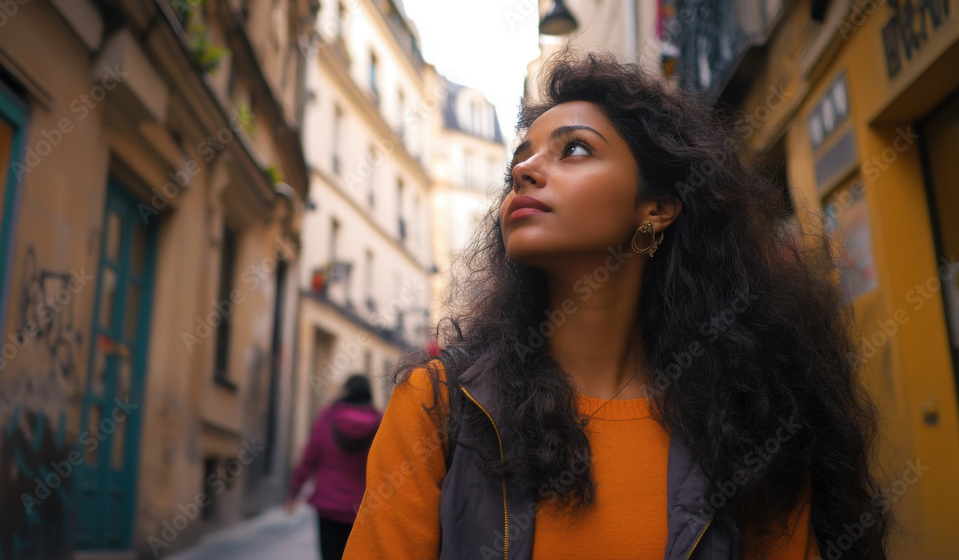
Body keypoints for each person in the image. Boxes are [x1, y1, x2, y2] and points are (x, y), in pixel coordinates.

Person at [343, 52, 890, 560]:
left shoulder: (751, 418)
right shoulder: (440, 407)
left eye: (574, 148)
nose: (523, 171)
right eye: (521, 156)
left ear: (656, 208)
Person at [287, 374, 381, 560]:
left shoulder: (328, 415)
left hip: (328, 502)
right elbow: (384, 464)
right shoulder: (379, 421)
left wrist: (294, 491)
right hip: (360, 507)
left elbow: (310, 455)